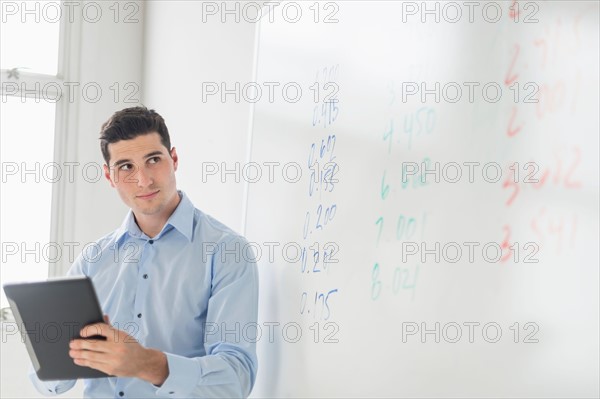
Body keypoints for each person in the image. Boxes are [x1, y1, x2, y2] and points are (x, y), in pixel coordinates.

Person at [29, 106, 259, 398]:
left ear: (173, 159)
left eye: (153, 160)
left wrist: (147, 364)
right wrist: (59, 354)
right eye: (126, 166)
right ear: (109, 176)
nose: (144, 180)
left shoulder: (227, 251)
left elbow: (235, 379)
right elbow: (50, 383)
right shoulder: (92, 261)